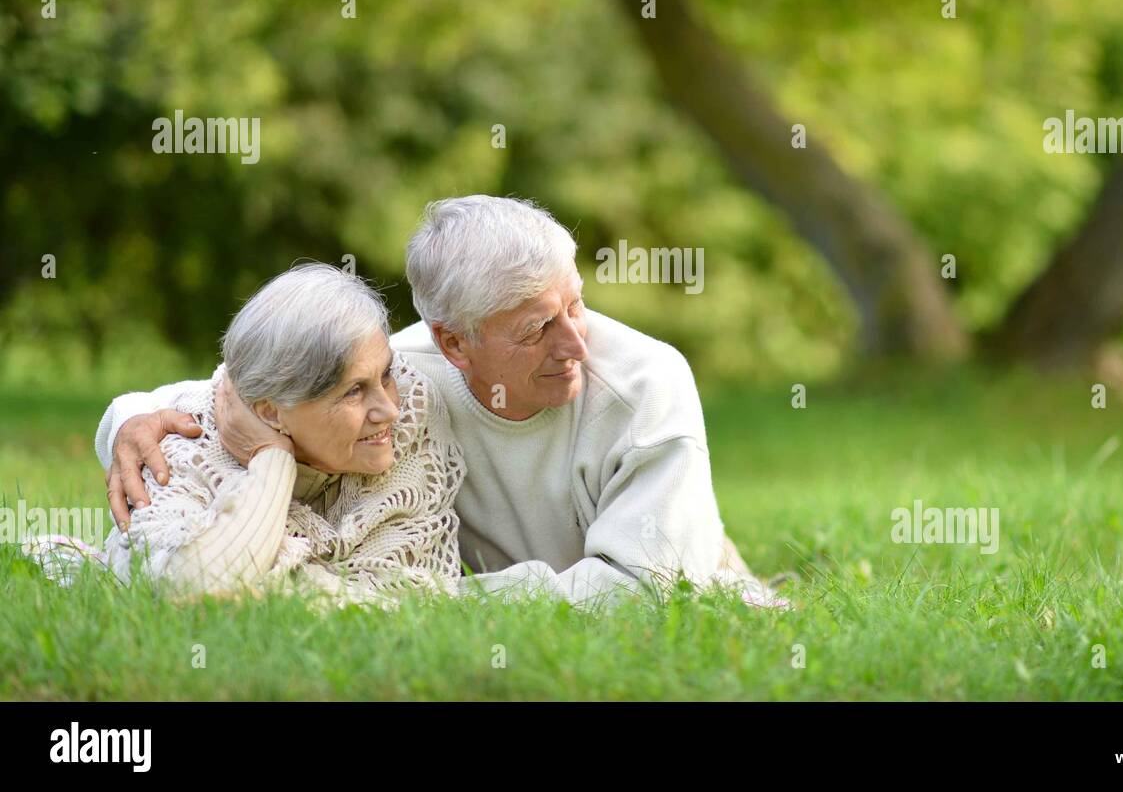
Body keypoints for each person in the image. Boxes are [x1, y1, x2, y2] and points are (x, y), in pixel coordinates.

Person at [98, 196, 786, 608]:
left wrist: (428, 599)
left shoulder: (647, 385)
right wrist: (129, 414)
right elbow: (262, 383)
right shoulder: (409, 372)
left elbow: (648, 593)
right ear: (453, 341)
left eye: (576, 302)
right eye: (537, 327)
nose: (576, 341)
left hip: (682, 563)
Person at [85, 263, 466, 601]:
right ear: (270, 412)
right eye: (353, 391)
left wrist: (265, 582)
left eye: (385, 375)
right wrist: (272, 460)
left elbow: (406, 593)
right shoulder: (185, 449)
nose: (389, 409)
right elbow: (191, 587)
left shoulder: (411, 411)